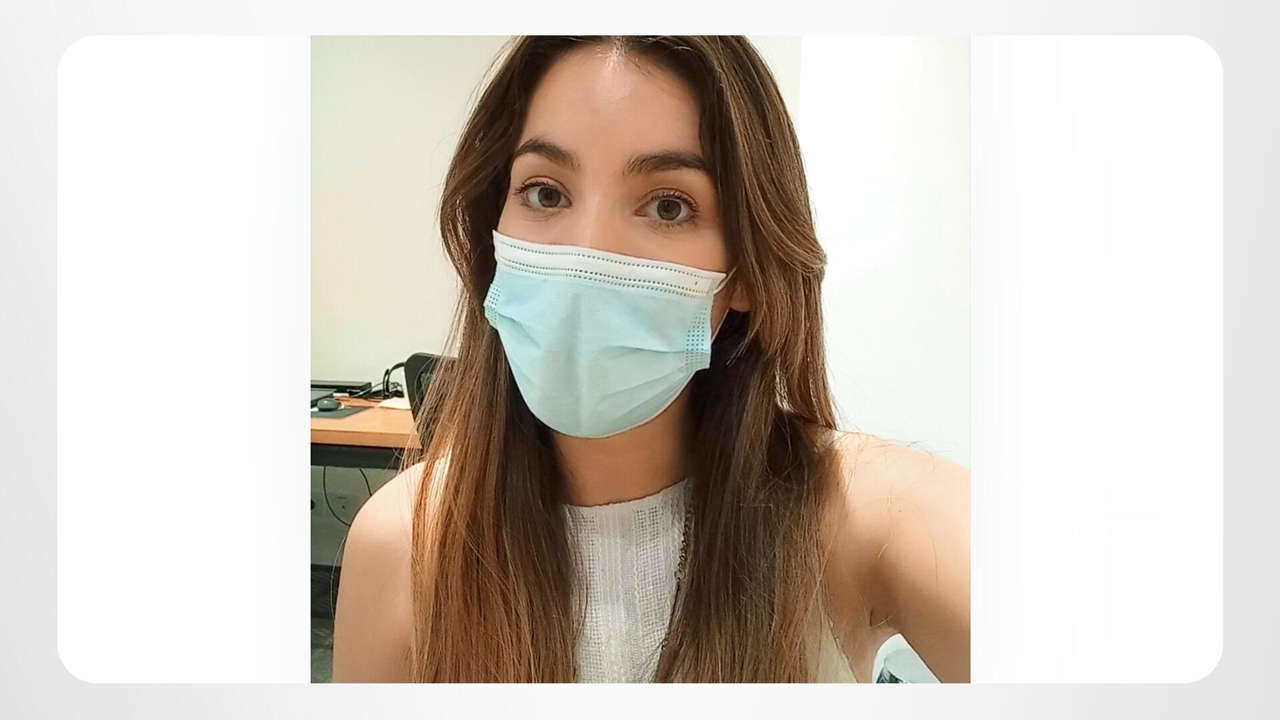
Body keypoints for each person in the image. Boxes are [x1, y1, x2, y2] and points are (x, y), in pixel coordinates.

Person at [331, 35, 970, 683]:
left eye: (669, 206)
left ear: (747, 272)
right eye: (545, 193)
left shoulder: (860, 517)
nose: (586, 254)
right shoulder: (404, 542)